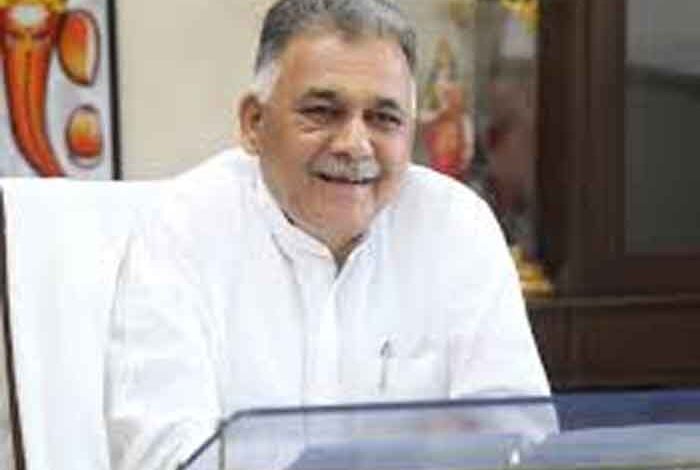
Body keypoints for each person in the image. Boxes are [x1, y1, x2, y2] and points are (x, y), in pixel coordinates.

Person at [105, 1, 552, 468]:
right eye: (322, 112)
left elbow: (521, 441)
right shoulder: (180, 229)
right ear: (254, 123)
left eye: (384, 118)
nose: (355, 145)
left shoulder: (456, 227)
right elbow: (166, 457)